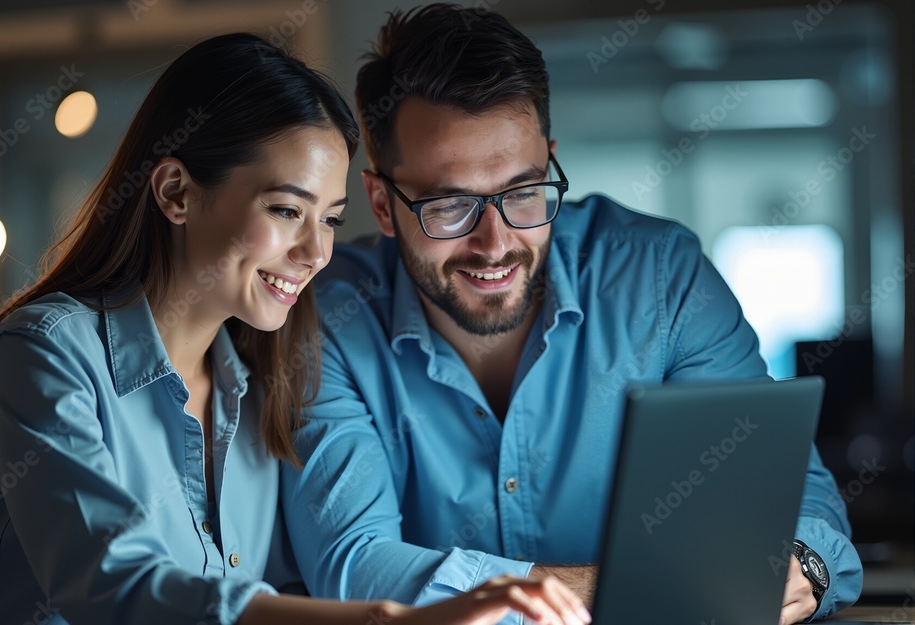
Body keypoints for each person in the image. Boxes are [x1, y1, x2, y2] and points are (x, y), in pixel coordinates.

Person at [0, 33, 590, 625]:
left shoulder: (261, 386)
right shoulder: (46, 353)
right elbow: (114, 586)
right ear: (176, 192)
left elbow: (285, 592)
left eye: (329, 220)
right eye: (286, 210)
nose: (316, 253)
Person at [279, 5, 863, 625]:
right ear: (382, 204)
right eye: (449, 205)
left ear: (550, 164)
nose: (495, 243)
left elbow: (790, 499)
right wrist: (630, 590)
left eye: (524, 192)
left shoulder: (663, 279)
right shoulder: (326, 314)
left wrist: (801, 564)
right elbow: (353, 568)